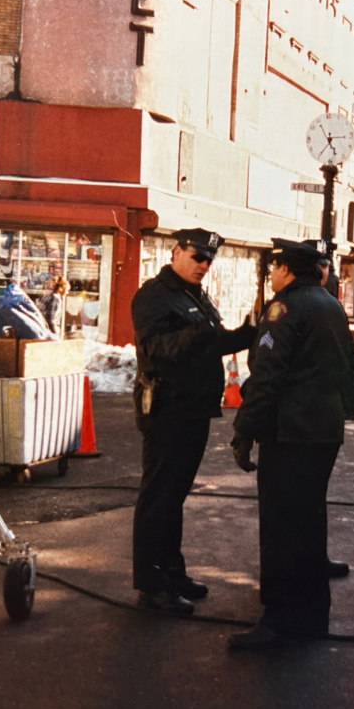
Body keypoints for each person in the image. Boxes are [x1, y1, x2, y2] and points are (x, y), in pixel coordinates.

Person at [228, 239, 354, 649]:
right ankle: (310, 616)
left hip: (289, 433)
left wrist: (244, 429)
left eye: (275, 267)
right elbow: (349, 367)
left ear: (287, 270)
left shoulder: (283, 308)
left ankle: (280, 620)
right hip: (322, 431)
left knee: (282, 527)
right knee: (308, 523)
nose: (271, 275)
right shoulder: (330, 304)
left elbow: (267, 376)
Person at [131, 228, 256, 613]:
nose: (204, 265)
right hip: (168, 409)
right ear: (176, 253)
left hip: (194, 409)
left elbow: (213, 343)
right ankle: (153, 586)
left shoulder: (193, 295)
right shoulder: (154, 295)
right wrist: (197, 333)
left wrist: (247, 334)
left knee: (174, 497)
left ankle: (172, 572)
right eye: (197, 256)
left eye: (209, 260)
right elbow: (155, 349)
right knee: (159, 497)